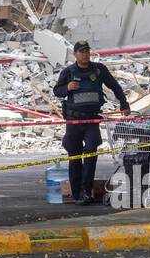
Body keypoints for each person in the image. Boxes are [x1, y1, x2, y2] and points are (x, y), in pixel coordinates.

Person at [52, 41, 130, 204]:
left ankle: (86, 192)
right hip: (74, 120)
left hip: (92, 119)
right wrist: (68, 87)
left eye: (87, 51)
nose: (85, 54)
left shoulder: (99, 69)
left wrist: (124, 104)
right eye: (81, 52)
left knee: (90, 151)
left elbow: (115, 86)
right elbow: (57, 91)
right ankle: (76, 193)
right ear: (75, 54)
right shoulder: (69, 72)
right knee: (74, 155)